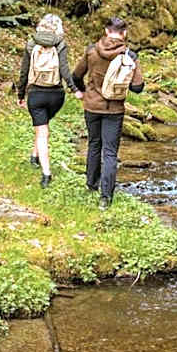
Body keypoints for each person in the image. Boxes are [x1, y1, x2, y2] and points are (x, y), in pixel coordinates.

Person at [72, 17, 145, 210]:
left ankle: (91, 184)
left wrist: (83, 92)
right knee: (110, 152)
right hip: (114, 109)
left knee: (94, 144)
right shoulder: (130, 56)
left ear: (106, 31)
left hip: (92, 106)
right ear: (124, 33)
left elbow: (75, 76)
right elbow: (138, 87)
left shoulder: (91, 51)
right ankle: (106, 197)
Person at [16, 14, 83, 188]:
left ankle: (46, 174)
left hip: (36, 94)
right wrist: (74, 89)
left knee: (42, 131)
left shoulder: (31, 44)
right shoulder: (60, 43)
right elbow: (64, 69)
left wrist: (20, 94)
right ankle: (34, 156)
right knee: (43, 128)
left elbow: (24, 72)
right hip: (56, 95)